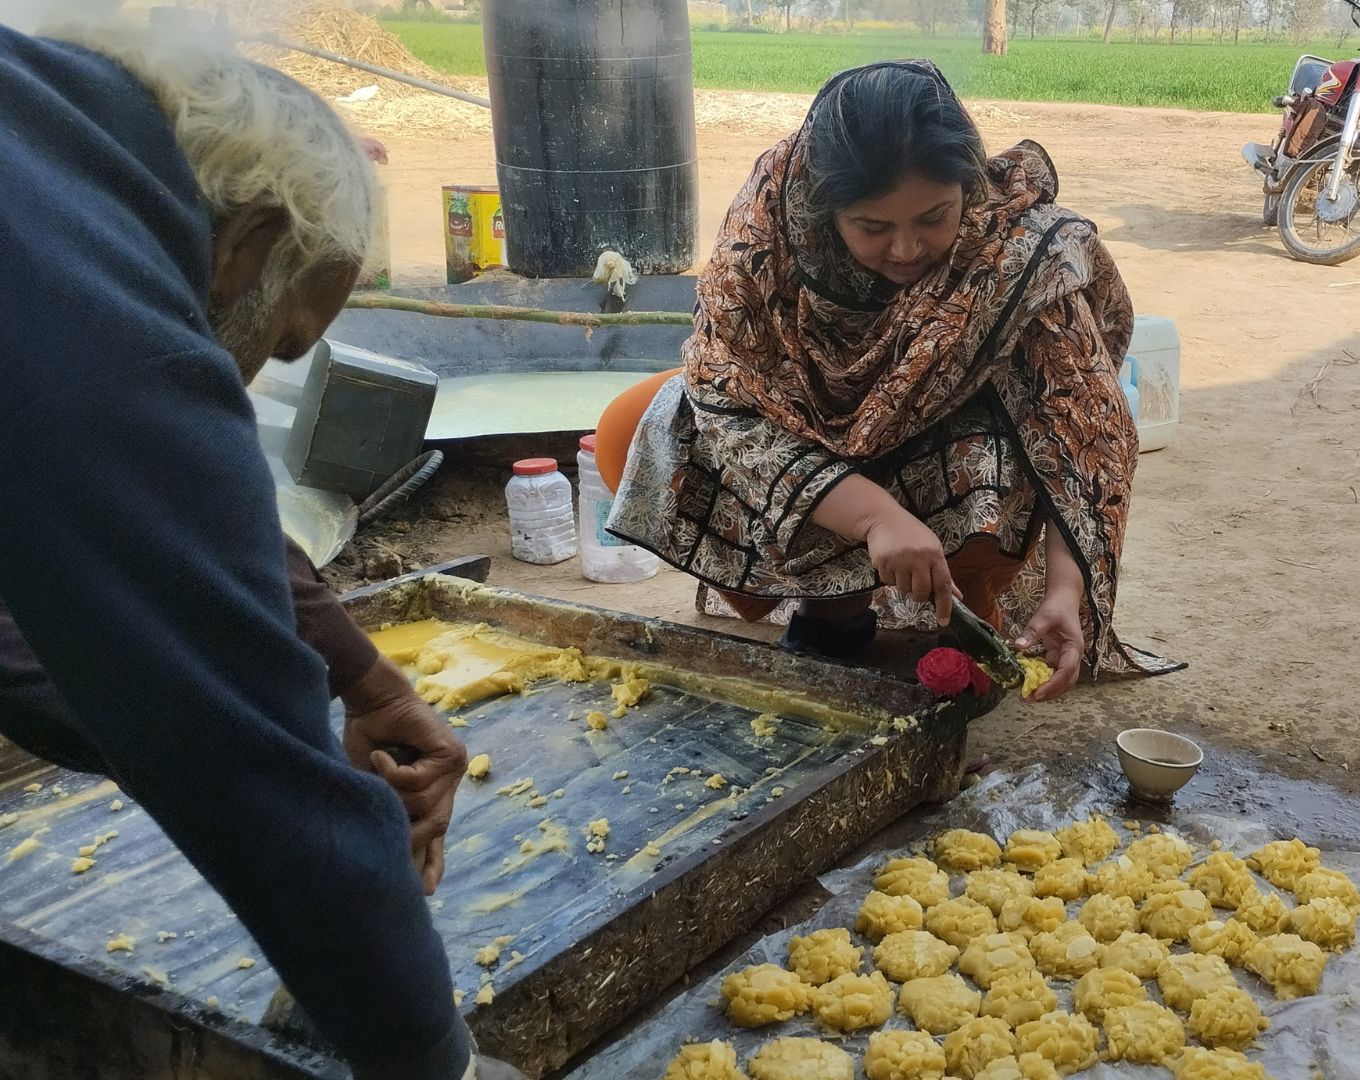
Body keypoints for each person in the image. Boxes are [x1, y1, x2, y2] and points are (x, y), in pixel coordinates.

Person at [0, 22, 523, 1080]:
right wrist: (437, 1063)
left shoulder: (47, 150)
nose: (241, 382)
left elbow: (159, 529)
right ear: (248, 240)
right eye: (279, 340)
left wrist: (360, 676)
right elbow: (224, 742)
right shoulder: (99, 315)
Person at [605, 61, 1178, 699]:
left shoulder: (1012, 252)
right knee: (636, 427)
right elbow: (725, 403)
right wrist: (877, 519)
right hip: (809, 455)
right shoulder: (764, 238)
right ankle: (832, 608)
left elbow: (1084, 434)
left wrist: (1066, 589)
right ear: (825, 212)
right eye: (872, 228)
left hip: (942, 452)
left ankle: (969, 606)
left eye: (934, 217)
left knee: (998, 449)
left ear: (969, 189)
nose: (905, 250)